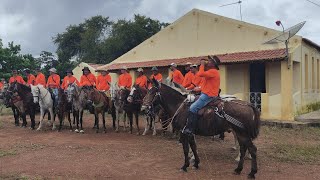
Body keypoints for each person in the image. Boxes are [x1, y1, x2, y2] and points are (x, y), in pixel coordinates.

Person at [182, 56, 221, 135]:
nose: (208, 62)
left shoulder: (213, 71)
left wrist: (202, 64)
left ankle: (190, 129)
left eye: (210, 61)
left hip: (208, 95)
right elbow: (205, 83)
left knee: (192, 108)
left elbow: (200, 73)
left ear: (213, 64)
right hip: (206, 93)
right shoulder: (211, 72)